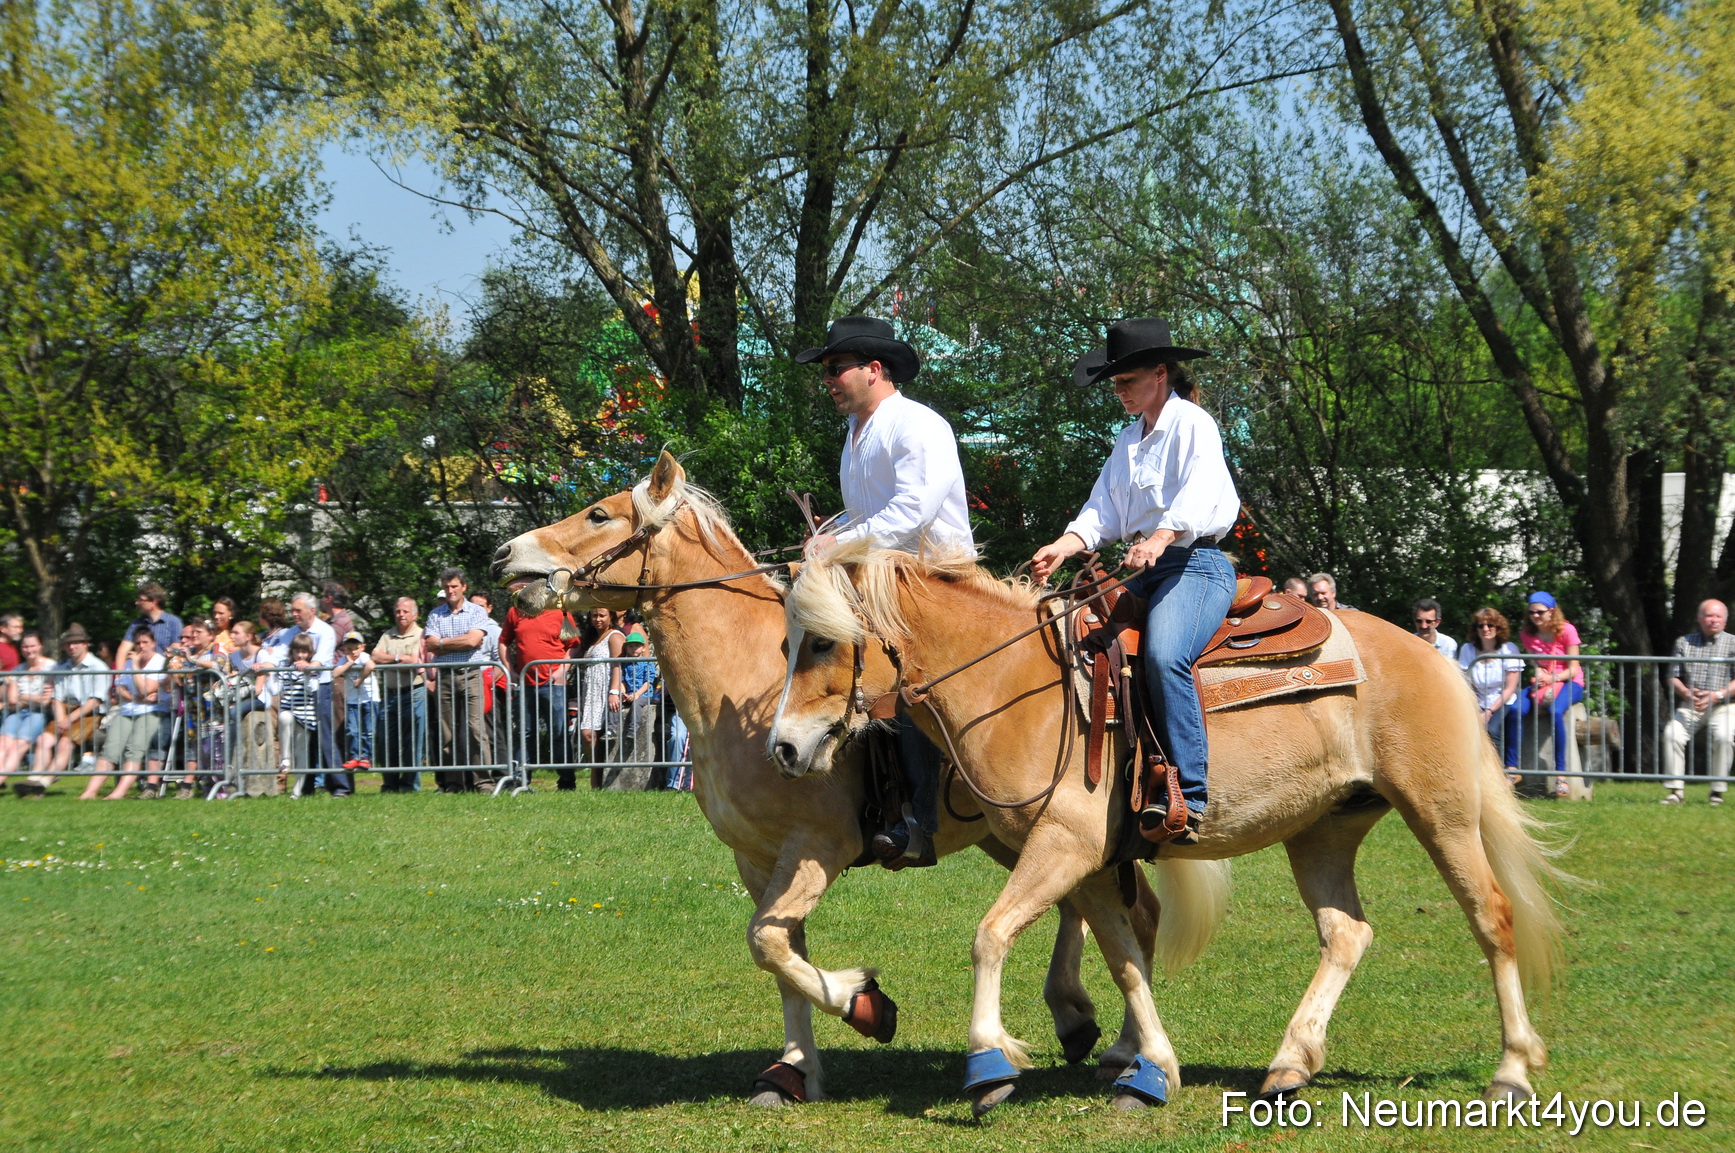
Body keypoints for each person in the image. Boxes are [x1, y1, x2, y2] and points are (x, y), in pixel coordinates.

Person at [1031, 318, 1239, 844]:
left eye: (1126, 382)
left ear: (1160, 374)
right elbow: (1101, 511)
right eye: (1116, 384)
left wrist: (1161, 537)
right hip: (1148, 565)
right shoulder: (1128, 439)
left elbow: (1200, 492)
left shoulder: (1193, 423)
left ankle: (1188, 797)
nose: (1119, 393)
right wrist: (1064, 544)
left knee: (1164, 655)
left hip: (1196, 564)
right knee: (1074, 637)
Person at [796, 314, 972, 863]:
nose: (827, 379)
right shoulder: (853, 436)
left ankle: (918, 821)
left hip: (936, 579)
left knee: (909, 686)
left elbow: (911, 513)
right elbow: (863, 516)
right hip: (883, 579)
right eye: (825, 370)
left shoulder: (918, 425)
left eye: (834, 368)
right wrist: (824, 539)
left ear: (873, 369)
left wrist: (839, 545)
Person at [17, 625, 109, 797]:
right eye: (69, 644)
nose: (72, 647)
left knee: (65, 743)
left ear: (85, 644)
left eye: (76, 643)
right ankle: (33, 779)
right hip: (66, 711)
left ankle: (43, 783)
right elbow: (57, 698)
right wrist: (61, 719)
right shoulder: (62, 667)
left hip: (91, 714)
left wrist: (69, 719)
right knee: (44, 739)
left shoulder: (98, 666)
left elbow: (95, 701)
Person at [81, 628, 172, 800]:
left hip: (152, 712)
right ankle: (90, 792)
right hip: (127, 710)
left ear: (153, 643)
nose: (141, 646)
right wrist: (137, 698)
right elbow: (119, 688)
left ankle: (118, 792)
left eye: (145, 642)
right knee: (110, 749)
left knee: (134, 749)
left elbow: (145, 689)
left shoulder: (158, 662)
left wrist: (137, 668)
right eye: (137, 643)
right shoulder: (128, 663)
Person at [1661, 598, 1735, 806]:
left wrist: (1717, 695)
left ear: (1725, 621)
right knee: (1671, 734)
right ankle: (1676, 792)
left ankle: (1717, 792)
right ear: (1699, 618)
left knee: (1724, 736)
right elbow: (1672, 676)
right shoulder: (1683, 642)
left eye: (1718, 616)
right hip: (1691, 704)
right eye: (1709, 615)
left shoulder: (1733, 642)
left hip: (1725, 705)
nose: (1713, 620)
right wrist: (1685, 693)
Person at [424, 568, 491, 791]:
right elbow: (430, 644)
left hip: (471, 674)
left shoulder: (476, 612)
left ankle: (483, 782)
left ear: (464, 587)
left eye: (454, 586)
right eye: (446, 587)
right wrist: (456, 642)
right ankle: (453, 784)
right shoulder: (435, 614)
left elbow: (473, 642)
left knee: (475, 729)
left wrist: (443, 643)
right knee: (447, 730)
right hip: (445, 676)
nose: (450, 590)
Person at [502, 600, 580, 788]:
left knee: (559, 733)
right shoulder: (515, 611)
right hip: (525, 684)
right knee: (525, 733)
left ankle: (567, 781)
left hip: (554, 684)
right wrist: (509, 670)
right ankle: (521, 780)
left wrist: (563, 669)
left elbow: (574, 644)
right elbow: (503, 641)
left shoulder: (560, 612)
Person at [1517, 591, 1584, 799]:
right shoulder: (1527, 634)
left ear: (1552, 612)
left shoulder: (1567, 630)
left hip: (1570, 681)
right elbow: (1535, 663)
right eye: (1531, 612)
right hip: (1544, 683)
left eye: (1540, 612)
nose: (1535, 616)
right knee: (1514, 709)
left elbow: (1574, 668)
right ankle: (1512, 769)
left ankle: (1561, 775)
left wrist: (1553, 678)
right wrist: (1538, 673)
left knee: (1556, 712)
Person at [282, 592, 348, 794]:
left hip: (321, 689)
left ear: (311, 611)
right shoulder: (290, 632)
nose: (294, 614)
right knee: (305, 740)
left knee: (326, 737)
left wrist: (308, 665)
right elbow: (278, 656)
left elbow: (322, 659)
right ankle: (307, 786)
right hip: (297, 690)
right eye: (292, 610)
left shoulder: (324, 631)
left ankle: (341, 786)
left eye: (298, 610)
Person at [1459, 607, 1525, 783]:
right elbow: (1467, 682)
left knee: (1492, 730)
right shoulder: (1468, 649)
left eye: (1490, 625)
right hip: (1477, 700)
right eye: (1481, 625)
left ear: (1498, 628)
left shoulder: (1508, 649)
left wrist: (1489, 711)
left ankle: (1499, 775)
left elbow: (1511, 687)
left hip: (1503, 700)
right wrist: (1475, 708)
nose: (1486, 629)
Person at [372, 597, 427, 791]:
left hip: (413, 692)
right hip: (390, 694)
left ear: (415, 614)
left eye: (405, 611)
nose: (401, 615)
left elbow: (414, 662)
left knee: (413, 741)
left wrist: (391, 660)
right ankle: (390, 783)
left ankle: (410, 785)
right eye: (398, 611)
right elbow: (375, 656)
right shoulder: (388, 635)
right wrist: (398, 658)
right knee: (386, 741)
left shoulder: (421, 635)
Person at [575, 607, 625, 784]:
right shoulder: (593, 638)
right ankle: (596, 780)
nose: (598, 619)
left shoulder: (615, 636)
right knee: (589, 735)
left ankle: (597, 780)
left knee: (590, 733)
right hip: (591, 691)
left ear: (611, 616)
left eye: (602, 615)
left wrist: (614, 691)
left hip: (606, 690)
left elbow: (619, 666)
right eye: (594, 615)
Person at [0, 632, 57, 784]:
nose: (29, 650)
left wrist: (23, 696)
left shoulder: (52, 667)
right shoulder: (18, 669)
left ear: (41, 646)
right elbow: (12, 700)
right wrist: (32, 698)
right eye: (25, 646)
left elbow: (45, 701)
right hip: (17, 713)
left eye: (32, 646)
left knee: (18, 746)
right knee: (3, 743)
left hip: (39, 714)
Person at [275, 634, 329, 795]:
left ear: (310, 653)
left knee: (301, 751)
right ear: (292, 652)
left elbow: (312, 689)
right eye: (297, 651)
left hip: (306, 713)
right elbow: (277, 688)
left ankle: (297, 791)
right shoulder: (285, 667)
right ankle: (285, 758)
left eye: (304, 652)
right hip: (289, 708)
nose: (300, 655)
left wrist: (306, 672)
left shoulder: (312, 670)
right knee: (284, 717)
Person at [334, 631, 378, 774]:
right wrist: (349, 663)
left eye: (355, 648)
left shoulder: (364, 657)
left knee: (368, 731)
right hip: (352, 700)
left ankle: (366, 757)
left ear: (362, 647)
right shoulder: (345, 660)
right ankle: (355, 756)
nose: (352, 651)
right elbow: (335, 673)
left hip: (369, 698)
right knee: (353, 730)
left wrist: (360, 680)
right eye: (348, 648)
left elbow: (371, 666)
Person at [113, 582, 183, 669]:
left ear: (154, 602)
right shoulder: (136, 623)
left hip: (164, 674)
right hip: (141, 674)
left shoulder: (173, 622)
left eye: (141, 600)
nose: (137, 603)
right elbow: (123, 650)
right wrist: (120, 676)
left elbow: (176, 650)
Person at [619, 630, 661, 772]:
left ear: (643, 648)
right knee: (614, 703)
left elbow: (648, 683)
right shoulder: (625, 664)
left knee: (637, 704)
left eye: (637, 645)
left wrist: (636, 694)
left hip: (644, 695)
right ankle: (611, 729)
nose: (634, 648)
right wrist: (623, 692)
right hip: (630, 693)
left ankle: (633, 729)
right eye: (631, 646)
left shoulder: (647, 663)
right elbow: (623, 681)